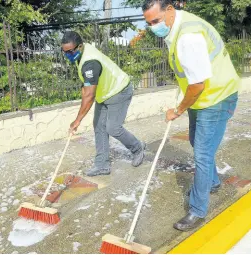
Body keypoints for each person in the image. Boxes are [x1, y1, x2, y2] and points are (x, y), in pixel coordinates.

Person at [142, 0, 240, 231]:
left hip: (215, 97)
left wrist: (177, 110)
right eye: (149, 23)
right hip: (204, 97)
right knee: (197, 143)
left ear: (169, 10)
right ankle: (212, 183)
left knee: (203, 155)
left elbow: (197, 84)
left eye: (156, 20)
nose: (153, 27)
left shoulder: (188, 36)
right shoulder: (178, 25)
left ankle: (197, 210)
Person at [61, 31, 146, 177]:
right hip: (105, 94)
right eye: (65, 52)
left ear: (80, 46)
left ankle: (138, 148)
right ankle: (102, 165)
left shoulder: (90, 62)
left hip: (119, 90)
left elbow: (89, 95)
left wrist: (77, 120)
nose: (68, 54)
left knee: (113, 128)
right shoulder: (81, 53)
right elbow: (86, 88)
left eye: (70, 51)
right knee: (99, 126)